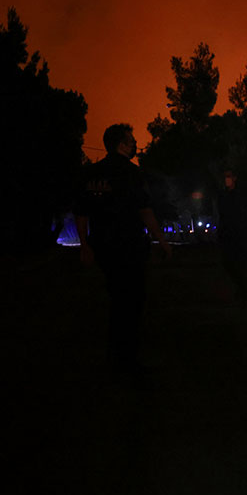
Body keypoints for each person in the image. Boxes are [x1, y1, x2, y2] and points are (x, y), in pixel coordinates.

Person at [75, 124, 171, 378]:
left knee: (116, 299)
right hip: (129, 246)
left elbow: (82, 213)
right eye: (131, 140)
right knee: (132, 302)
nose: (134, 144)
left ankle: (115, 356)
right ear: (121, 144)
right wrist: (161, 241)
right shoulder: (131, 173)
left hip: (103, 247)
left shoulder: (92, 174)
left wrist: (85, 244)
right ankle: (127, 360)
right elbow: (145, 211)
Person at [217, 168, 247, 304]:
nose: (226, 179)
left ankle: (243, 292)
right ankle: (242, 287)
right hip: (227, 234)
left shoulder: (242, 194)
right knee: (228, 263)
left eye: (228, 176)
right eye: (225, 176)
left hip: (242, 233)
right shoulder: (222, 195)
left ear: (234, 178)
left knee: (242, 264)